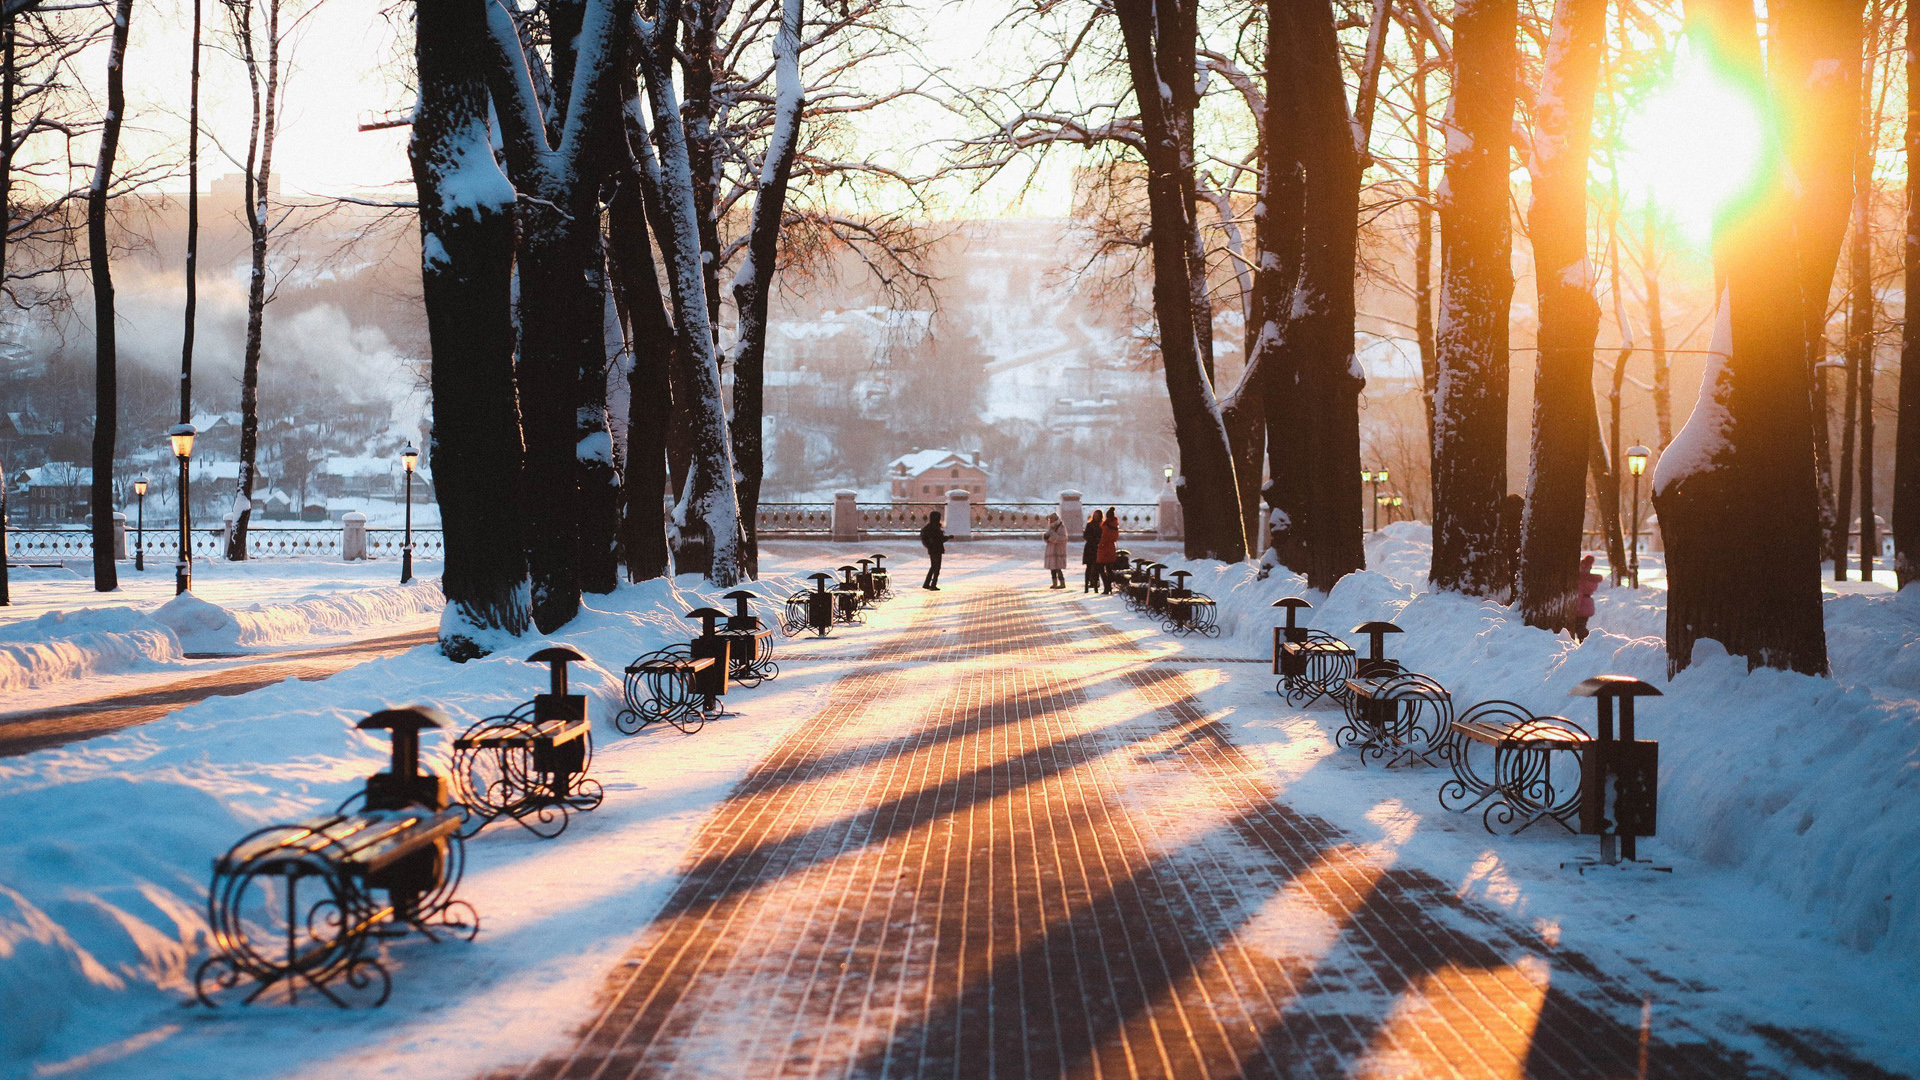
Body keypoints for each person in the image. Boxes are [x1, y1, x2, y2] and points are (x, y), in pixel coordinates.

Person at [920, 510, 951, 590]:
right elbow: (939, 539)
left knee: (933, 567)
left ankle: (926, 583)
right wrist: (948, 538)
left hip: (932, 549)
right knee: (936, 568)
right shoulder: (935, 528)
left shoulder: (928, 528)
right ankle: (933, 585)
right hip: (936, 549)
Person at [1572, 553, 1600, 641]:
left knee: (1579, 627)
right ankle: (1586, 642)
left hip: (1581, 606)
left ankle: (1589, 641)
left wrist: (1575, 608)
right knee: (1580, 626)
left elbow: (1579, 594)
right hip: (1587, 605)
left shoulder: (1582, 579)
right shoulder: (1589, 579)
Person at [1097, 506, 1121, 593]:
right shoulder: (1115, 525)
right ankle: (1109, 586)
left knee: (1101, 568)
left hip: (1104, 549)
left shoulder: (1106, 526)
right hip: (1111, 548)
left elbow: (1104, 537)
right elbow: (1115, 538)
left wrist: (1099, 544)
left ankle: (1107, 587)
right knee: (1109, 569)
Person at [1042, 512, 1068, 589]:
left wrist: (1052, 537)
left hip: (1058, 550)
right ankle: (1054, 583)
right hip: (1051, 549)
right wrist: (1046, 537)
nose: (1050, 521)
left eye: (1052, 519)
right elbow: (1049, 535)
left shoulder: (1061, 527)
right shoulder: (1051, 527)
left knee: (1058, 568)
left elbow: (1063, 538)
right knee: (1052, 568)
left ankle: (1062, 583)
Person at [1081, 509, 1105, 592]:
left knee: (1096, 567)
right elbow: (1085, 536)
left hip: (1098, 548)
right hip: (1090, 548)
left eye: (1097, 515)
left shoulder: (1103, 525)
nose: (1095, 517)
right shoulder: (1090, 524)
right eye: (1094, 515)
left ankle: (1095, 584)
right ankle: (1087, 584)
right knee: (1089, 567)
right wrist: (1094, 540)